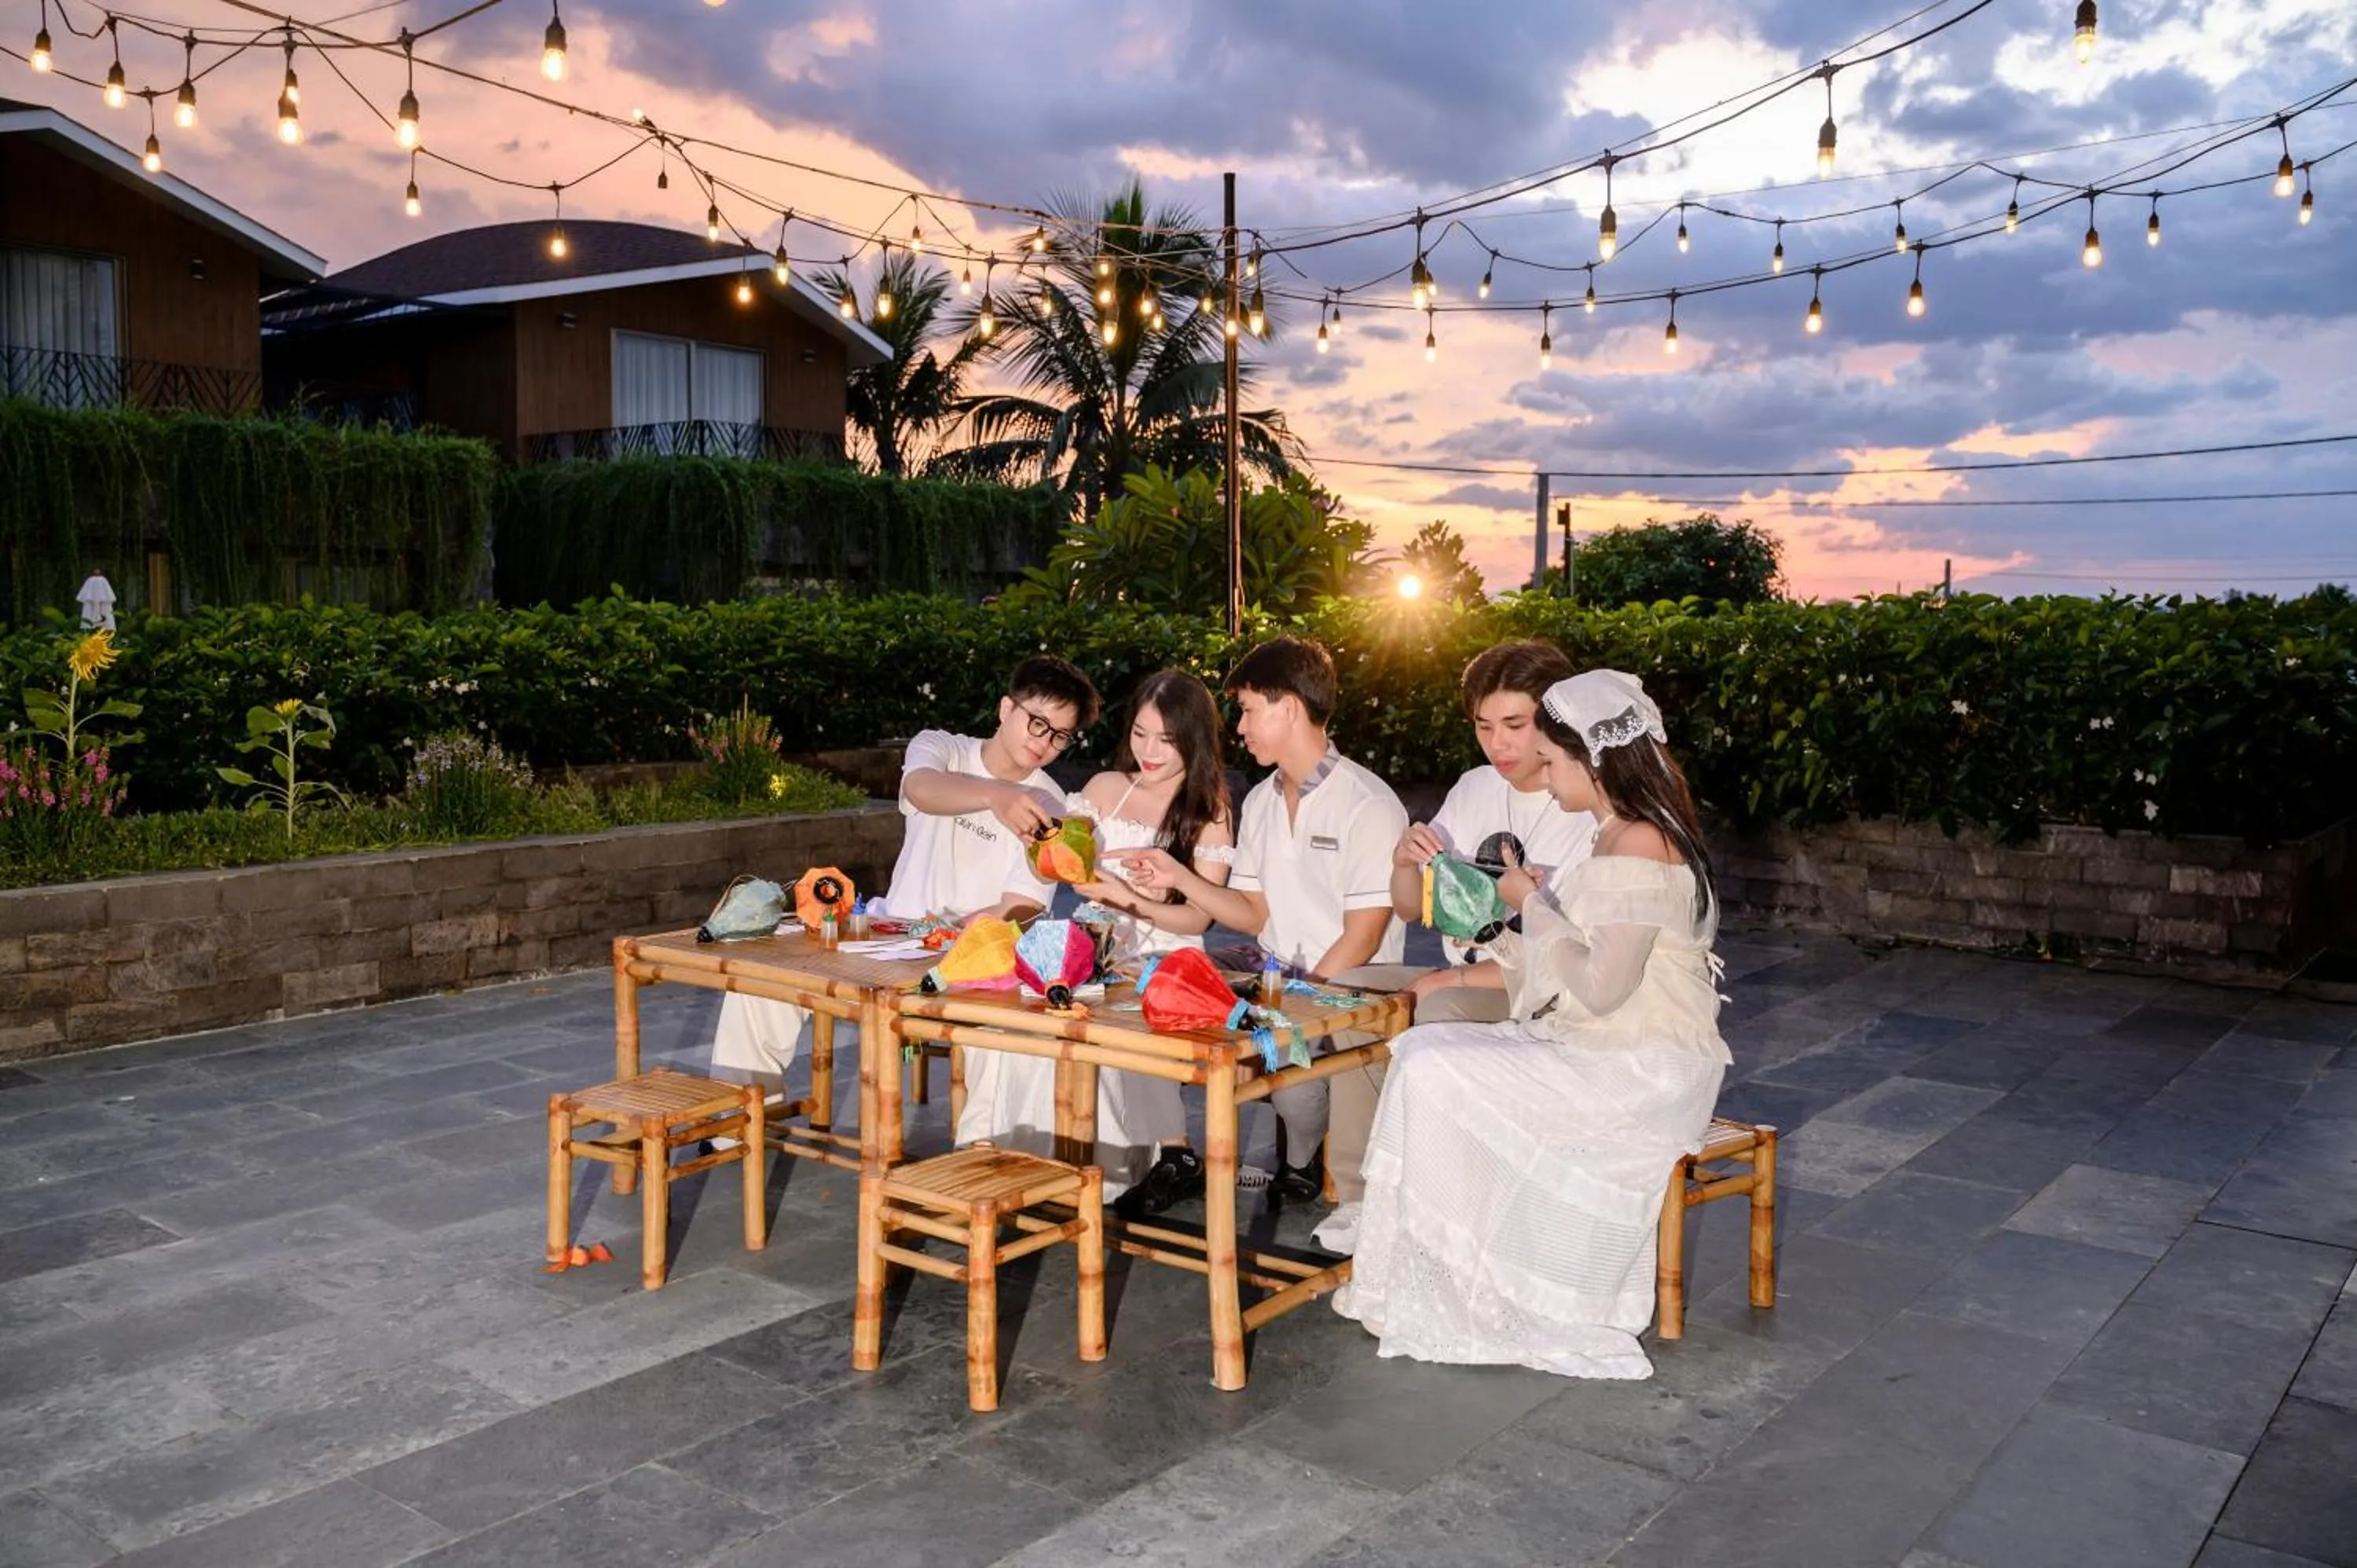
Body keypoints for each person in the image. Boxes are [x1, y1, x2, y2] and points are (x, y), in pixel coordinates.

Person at [1333, 669, 1730, 1380]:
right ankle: (1451, 1266)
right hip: (1603, 1045)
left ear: (1595, 760)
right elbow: (1560, 967)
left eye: (1551, 761)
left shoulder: (1638, 841)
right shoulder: (1625, 835)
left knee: (1428, 1061)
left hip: (1639, 1065)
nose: (1542, 779)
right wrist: (1503, 920)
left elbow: (1602, 988)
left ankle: (1476, 1278)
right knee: (1424, 1049)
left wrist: (1529, 900)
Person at [706, 656, 1098, 1112]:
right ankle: (739, 1116)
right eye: (1037, 723)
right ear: (1006, 709)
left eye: (1060, 736)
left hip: (966, 959)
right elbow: (921, 790)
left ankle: (985, 1159)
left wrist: (961, 941)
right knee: (760, 983)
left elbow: (1022, 907)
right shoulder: (942, 747)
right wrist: (997, 795)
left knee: (1004, 1032)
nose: (1045, 743)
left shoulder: (1050, 805)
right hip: (885, 937)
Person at [1315, 639, 1600, 1256]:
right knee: (1351, 997)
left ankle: (1435, 1206)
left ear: (1554, 724)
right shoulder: (1475, 788)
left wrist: (1450, 983)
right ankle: (1362, 1197)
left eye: (1516, 727)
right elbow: (1412, 907)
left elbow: (1567, 961)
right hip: (1471, 972)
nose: (1499, 744)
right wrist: (1402, 860)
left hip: (1540, 994)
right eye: (1484, 726)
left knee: (1435, 1016)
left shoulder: (1585, 807)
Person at [1109, 636, 1406, 1202]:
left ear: (1287, 707)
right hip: (1274, 974)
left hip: (1348, 986)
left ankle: (1300, 1155)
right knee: (1149, 980)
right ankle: (1182, 1149)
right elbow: (1250, 913)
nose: (1239, 728)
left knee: (1294, 1088)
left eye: (1247, 710)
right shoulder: (1266, 798)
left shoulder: (1367, 803)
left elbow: (1364, 937)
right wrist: (1178, 877)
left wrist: (1290, 1006)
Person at [955, 669, 1235, 1201]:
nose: (1148, 751)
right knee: (1023, 1020)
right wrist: (1048, 852)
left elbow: (1196, 921)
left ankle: (1119, 1163)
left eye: (1166, 740)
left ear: (1193, 739)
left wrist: (1122, 896)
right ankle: (1010, 1154)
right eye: (1139, 734)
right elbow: (1059, 866)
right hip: (1091, 940)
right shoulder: (1107, 787)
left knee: (1105, 1020)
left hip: (1164, 950)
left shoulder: (1208, 811)